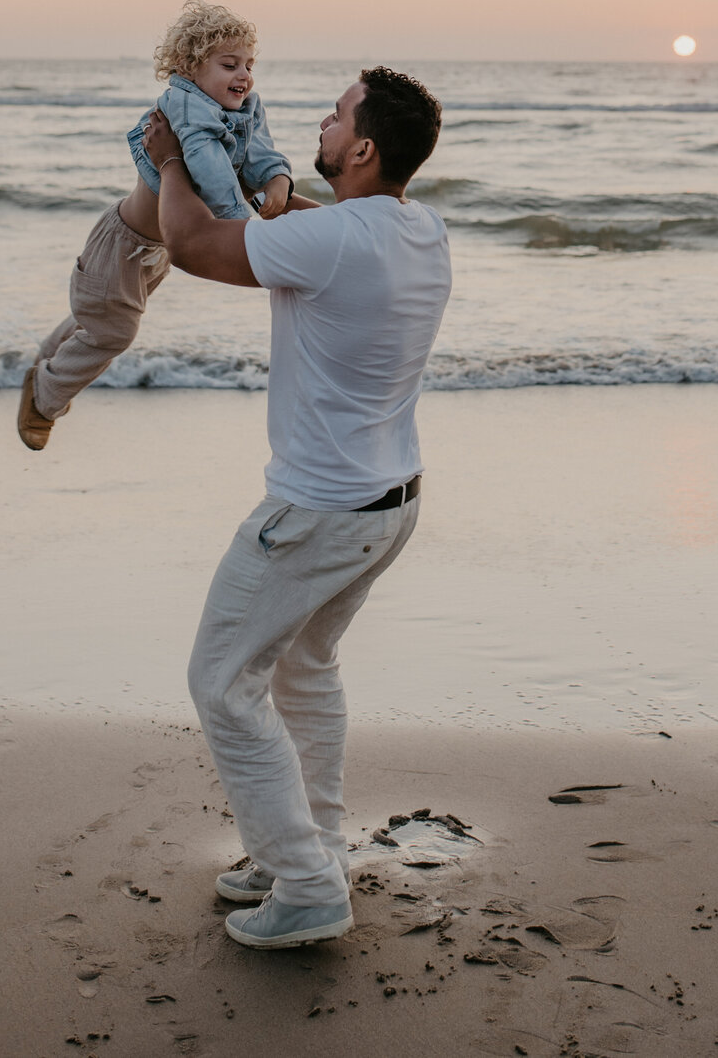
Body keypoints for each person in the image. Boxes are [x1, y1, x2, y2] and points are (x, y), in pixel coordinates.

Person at [142, 65, 451, 950]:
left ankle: (311, 885)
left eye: (334, 113)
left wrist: (171, 160)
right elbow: (317, 230)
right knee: (303, 670)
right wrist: (263, 187)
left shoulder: (335, 242)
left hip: (317, 513)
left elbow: (198, 246)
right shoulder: (419, 228)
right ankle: (301, 852)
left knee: (221, 682)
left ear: (360, 148)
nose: (317, 122)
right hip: (388, 506)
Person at [17, 0, 292, 451]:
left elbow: (259, 149)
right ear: (188, 68)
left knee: (104, 317)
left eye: (248, 64)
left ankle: (46, 361)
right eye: (229, 64)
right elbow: (214, 175)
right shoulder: (184, 108)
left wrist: (278, 179)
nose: (243, 76)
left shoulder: (246, 105)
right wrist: (245, 232)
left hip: (155, 249)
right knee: (115, 330)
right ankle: (43, 399)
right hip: (123, 242)